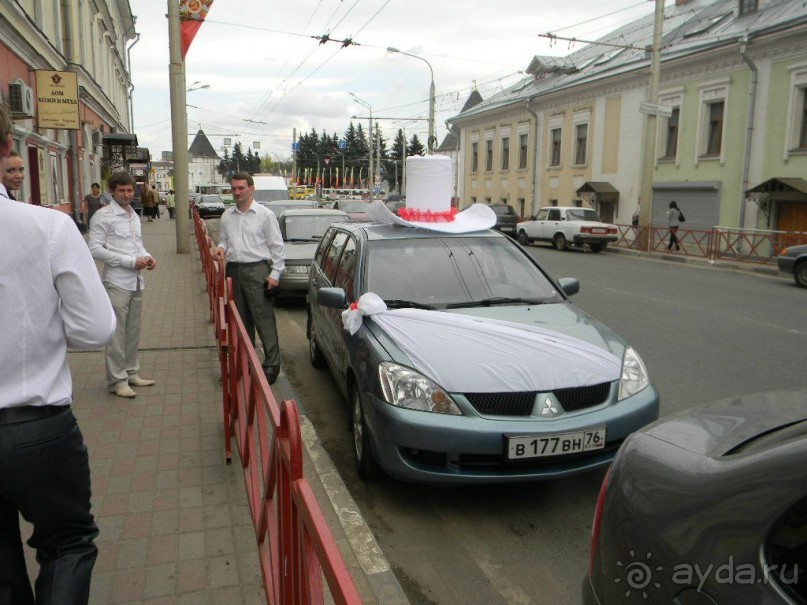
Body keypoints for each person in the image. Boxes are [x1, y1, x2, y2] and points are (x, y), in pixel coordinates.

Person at [0, 100, 116, 605]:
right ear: (8, 145)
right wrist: (39, 328)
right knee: (67, 544)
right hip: (38, 426)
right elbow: (95, 329)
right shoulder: (45, 227)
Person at [88, 171, 158, 398]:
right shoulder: (103, 216)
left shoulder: (132, 215)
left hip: (137, 281)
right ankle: (117, 381)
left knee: (132, 331)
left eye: (130, 190)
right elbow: (95, 249)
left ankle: (130, 372)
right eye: (121, 190)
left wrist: (147, 257)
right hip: (117, 282)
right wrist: (130, 262)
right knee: (117, 334)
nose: (127, 194)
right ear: (112, 191)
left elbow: (138, 245)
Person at [213, 172, 285, 385]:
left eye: (241, 188)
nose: (237, 192)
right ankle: (244, 364)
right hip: (233, 272)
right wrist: (219, 248)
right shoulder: (227, 216)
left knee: (264, 321)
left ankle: (271, 365)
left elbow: (277, 247)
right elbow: (224, 241)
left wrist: (275, 275)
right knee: (241, 322)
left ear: (251, 189)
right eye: (233, 188)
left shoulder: (265, 215)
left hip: (257, 271)